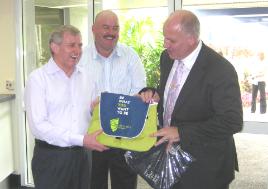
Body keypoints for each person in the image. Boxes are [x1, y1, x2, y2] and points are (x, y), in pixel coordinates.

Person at [140, 10, 243, 189]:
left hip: (205, 166)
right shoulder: (167, 58)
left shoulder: (220, 70)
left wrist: (181, 132)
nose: (165, 45)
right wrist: (153, 94)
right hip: (170, 157)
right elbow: (174, 92)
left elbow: (232, 121)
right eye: (164, 38)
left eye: (171, 40)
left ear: (191, 39)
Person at [24, 25, 108, 189]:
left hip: (83, 156)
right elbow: (39, 126)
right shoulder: (38, 79)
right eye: (71, 45)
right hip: (52, 158)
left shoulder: (86, 77)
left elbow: (90, 114)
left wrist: (95, 110)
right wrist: (81, 139)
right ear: (54, 47)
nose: (77, 50)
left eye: (80, 45)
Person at [79, 10, 146, 189]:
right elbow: (73, 94)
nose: (111, 32)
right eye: (106, 27)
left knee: (125, 183)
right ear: (93, 29)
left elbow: (139, 90)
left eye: (115, 28)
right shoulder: (80, 58)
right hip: (92, 135)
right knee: (93, 183)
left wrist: (116, 107)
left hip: (123, 134)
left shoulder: (130, 56)